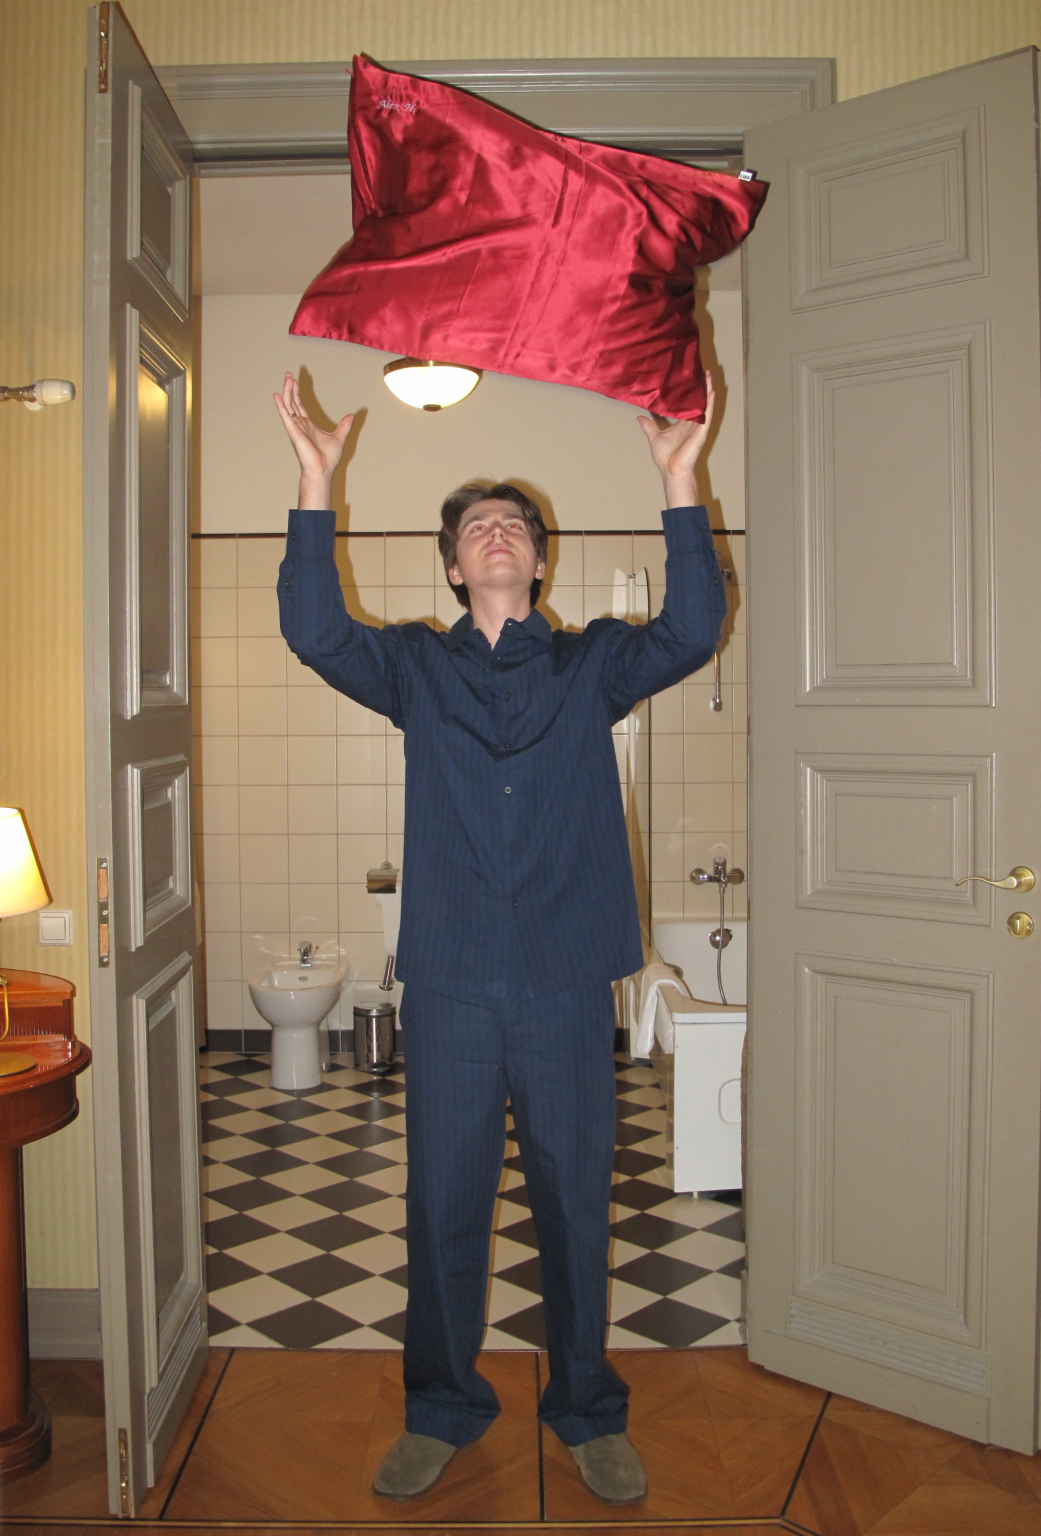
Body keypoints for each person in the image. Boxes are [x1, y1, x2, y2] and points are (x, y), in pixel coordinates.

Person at [274, 371, 726, 1504]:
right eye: (477, 526)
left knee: (577, 1197)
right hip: (454, 985)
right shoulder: (417, 667)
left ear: (538, 560)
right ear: (452, 564)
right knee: (443, 1203)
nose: (497, 533)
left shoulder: (594, 665)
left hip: (571, 981)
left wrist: (681, 483)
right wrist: (315, 482)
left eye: (515, 524)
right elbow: (313, 628)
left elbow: (694, 628)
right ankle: (443, 1406)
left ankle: (585, 1410)